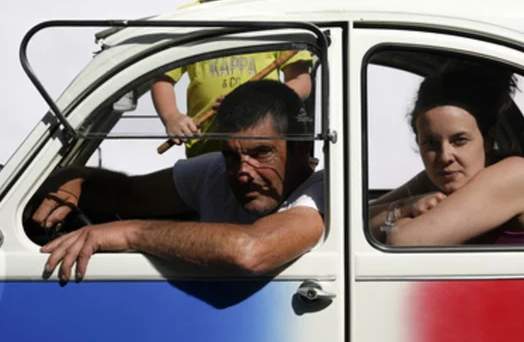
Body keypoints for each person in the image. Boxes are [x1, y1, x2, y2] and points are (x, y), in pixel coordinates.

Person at [32, 80, 324, 283]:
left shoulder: (321, 194)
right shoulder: (217, 172)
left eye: (261, 153)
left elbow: (250, 251)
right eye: (231, 156)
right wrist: (75, 179)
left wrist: (129, 233)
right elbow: (127, 194)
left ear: (301, 148)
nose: (243, 172)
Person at [151, 0, 312, 157]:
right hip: (206, 153)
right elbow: (162, 78)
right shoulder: (189, 18)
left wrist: (263, 103)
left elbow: (301, 80)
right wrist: (171, 116)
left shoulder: (276, 17)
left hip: (262, 155)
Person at [369, 65, 524, 246]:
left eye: (460, 140)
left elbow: (402, 241)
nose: (445, 155)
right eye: (430, 143)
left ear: (487, 140)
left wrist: (395, 217)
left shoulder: (517, 174)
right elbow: (355, 221)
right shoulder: (449, 172)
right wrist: (406, 207)